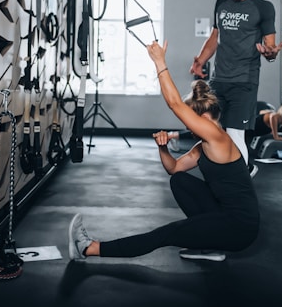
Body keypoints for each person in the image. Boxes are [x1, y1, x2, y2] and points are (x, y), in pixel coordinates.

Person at [68, 40, 260, 262]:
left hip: (240, 228)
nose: (188, 128)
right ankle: (210, 245)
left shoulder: (217, 136)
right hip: (227, 216)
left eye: (191, 122)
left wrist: (159, 61)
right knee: (180, 181)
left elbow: (175, 104)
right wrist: (162, 148)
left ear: (205, 119)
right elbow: (174, 168)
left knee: (166, 234)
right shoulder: (204, 146)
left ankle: (87, 248)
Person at [190, 0, 282, 178]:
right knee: (209, 129)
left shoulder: (263, 7)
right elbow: (215, 37)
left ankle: (243, 177)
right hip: (219, 79)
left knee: (234, 133)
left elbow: (270, 45)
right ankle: (224, 174)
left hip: (245, 80)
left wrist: (271, 53)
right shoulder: (221, 3)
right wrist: (201, 60)